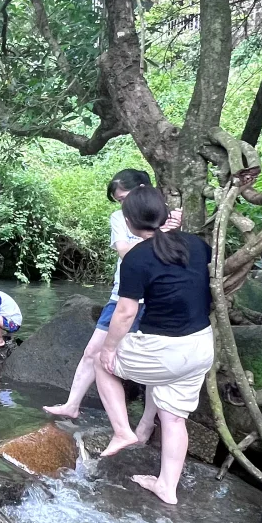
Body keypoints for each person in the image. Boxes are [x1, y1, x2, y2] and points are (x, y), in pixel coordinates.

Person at [94, 186, 215, 506]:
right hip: (200, 345)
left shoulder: (136, 257)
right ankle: (167, 487)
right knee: (175, 418)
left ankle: (123, 431)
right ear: (164, 213)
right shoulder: (198, 245)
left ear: (130, 222)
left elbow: (126, 312)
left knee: (98, 361)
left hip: (163, 349)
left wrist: (108, 349)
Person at [45, 168, 159, 419]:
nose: (123, 204)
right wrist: (153, 240)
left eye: (124, 197)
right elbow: (123, 251)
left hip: (154, 299)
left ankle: (147, 425)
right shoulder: (120, 217)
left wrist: (142, 243)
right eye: (119, 201)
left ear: (142, 190)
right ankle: (71, 405)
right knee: (92, 351)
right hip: (122, 295)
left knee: (154, 365)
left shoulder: (161, 213)